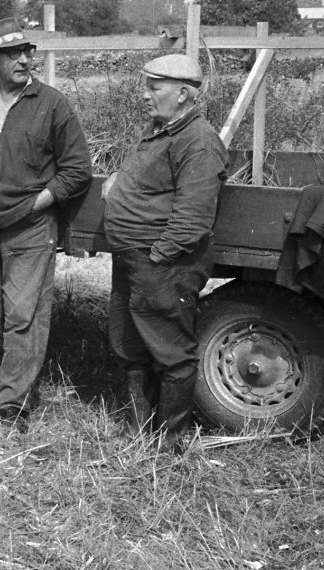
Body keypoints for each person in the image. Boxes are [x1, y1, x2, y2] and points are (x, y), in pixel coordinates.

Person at [0, 17, 92, 431]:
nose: (26, 59)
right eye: (14, 54)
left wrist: (38, 204)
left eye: (27, 52)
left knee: (23, 316)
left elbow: (77, 169)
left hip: (30, 229)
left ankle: (13, 403)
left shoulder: (52, 104)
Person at [101, 53, 228, 450]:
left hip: (162, 264)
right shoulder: (161, 129)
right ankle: (141, 429)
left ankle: (169, 440)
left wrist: (156, 257)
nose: (144, 96)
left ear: (184, 94)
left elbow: (193, 219)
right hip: (134, 259)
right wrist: (119, 180)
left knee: (171, 352)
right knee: (130, 345)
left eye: (154, 88)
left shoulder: (200, 141)